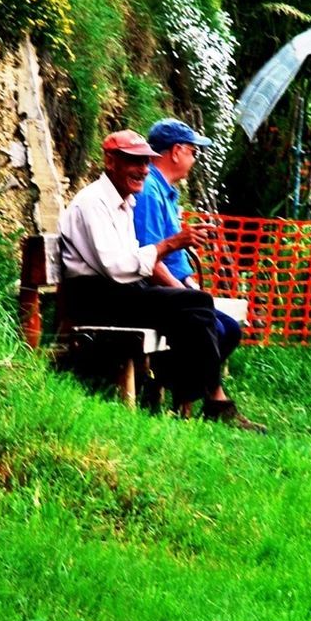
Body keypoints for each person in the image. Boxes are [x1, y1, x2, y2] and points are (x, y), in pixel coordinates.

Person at [59, 129, 265, 431]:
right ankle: (210, 400)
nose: (143, 169)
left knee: (197, 309)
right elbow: (116, 267)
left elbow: (128, 262)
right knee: (194, 303)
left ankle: (193, 400)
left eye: (146, 162)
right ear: (110, 161)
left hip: (117, 291)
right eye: (134, 161)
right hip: (95, 299)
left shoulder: (123, 201)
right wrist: (171, 244)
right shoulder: (93, 203)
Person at [132, 117, 243, 371]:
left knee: (231, 329)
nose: (194, 159)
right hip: (153, 290)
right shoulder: (149, 191)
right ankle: (198, 395)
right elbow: (149, 257)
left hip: (171, 288)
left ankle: (191, 394)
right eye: (193, 152)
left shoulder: (167, 192)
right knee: (214, 327)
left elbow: (172, 257)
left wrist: (190, 286)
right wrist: (184, 294)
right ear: (176, 151)